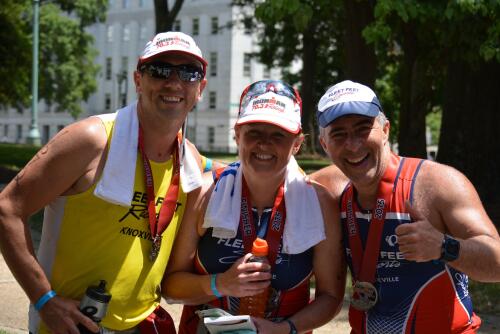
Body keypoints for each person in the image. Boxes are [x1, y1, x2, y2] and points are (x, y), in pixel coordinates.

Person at [0, 31, 214, 333]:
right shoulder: (91, 140)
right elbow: (8, 208)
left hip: (145, 323)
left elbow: (246, 169)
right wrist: (44, 299)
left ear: (200, 88)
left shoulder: (187, 157)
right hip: (70, 325)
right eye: (160, 69)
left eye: (189, 73)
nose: (174, 82)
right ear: (138, 80)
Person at [162, 80, 347, 334]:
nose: (264, 144)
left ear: (297, 143)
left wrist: (284, 329)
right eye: (254, 133)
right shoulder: (204, 193)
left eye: (278, 135)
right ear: (237, 135)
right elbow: (171, 287)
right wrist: (221, 284)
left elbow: (331, 297)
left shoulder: (319, 203)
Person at [316, 80, 500, 333]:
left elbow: (497, 262)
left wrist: (444, 246)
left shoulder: (437, 183)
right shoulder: (329, 190)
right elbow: (280, 179)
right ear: (325, 144)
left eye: (363, 129)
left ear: (385, 130)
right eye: (339, 134)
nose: (353, 144)